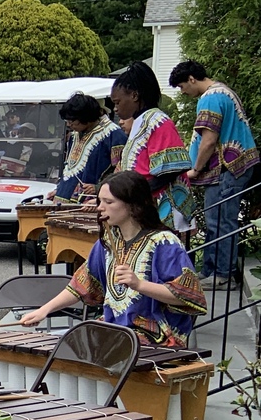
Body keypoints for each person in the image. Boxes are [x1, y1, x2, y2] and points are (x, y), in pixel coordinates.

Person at [20, 172, 206, 347]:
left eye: (108, 202)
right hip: (114, 329)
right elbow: (81, 285)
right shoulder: (108, 242)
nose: (100, 207)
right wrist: (44, 310)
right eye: (100, 201)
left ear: (133, 205)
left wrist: (139, 285)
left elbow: (188, 296)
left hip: (153, 336)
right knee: (68, 346)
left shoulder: (164, 243)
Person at [172, 59, 259, 286]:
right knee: (217, 220)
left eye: (182, 86)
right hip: (236, 166)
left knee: (221, 222)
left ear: (192, 79)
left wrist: (195, 169)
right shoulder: (225, 92)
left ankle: (222, 275)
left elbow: (208, 140)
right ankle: (210, 270)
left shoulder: (210, 98)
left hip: (227, 169)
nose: (183, 92)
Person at [111, 61, 192, 233]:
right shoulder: (140, 122)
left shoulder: (157, 121)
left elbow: (171, 169)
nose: (115, 109)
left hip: (164, 210)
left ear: (134, 95)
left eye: (117, 102)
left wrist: (137, 193)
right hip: (146, 208)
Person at [54, 92, 126, 202]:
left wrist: (99, 187)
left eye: (72, 121)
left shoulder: (113, 135)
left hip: (91, 203)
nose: (69, 125)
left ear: (85, 117)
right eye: (67, 121)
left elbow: (121, 171)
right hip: (63, 201)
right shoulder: (74, 135)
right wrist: (59, 190)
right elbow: (69, 170)